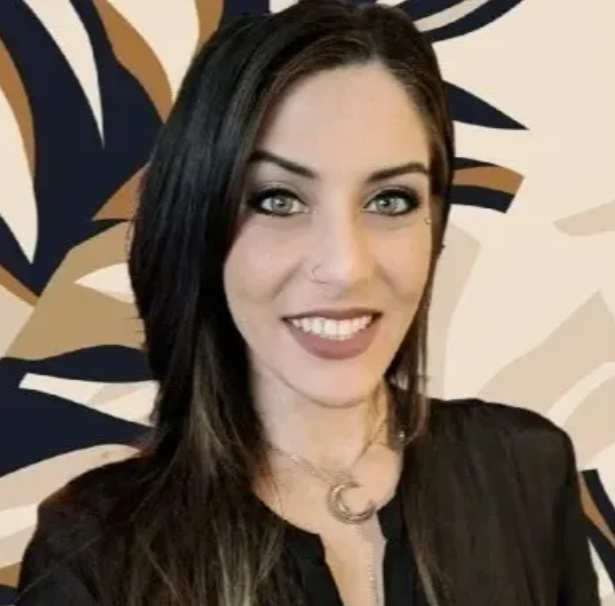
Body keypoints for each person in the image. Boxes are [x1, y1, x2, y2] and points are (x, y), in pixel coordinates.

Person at [16, 1, 600, 605]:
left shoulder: (527, 468)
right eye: (278, 199)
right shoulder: (96, 552)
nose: (346, 268)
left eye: (391, 200)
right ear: (199, 223)